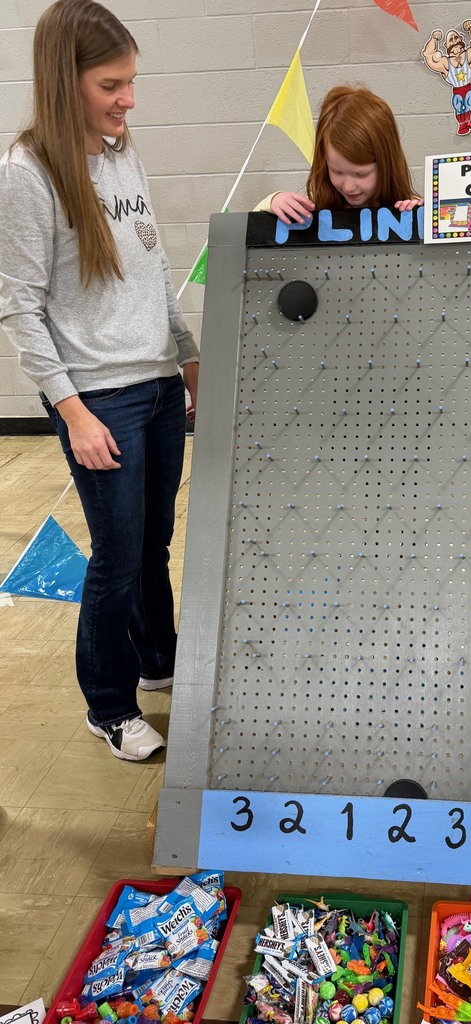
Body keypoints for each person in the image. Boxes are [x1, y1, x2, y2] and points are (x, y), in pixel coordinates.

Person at [0, 0, 200, 761]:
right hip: (100, 397)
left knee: (153, 544)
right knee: (116, 557)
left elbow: (152, 268)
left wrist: (188, 358)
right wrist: (72, 410)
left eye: (131, 82)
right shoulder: (27, 174)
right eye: (111, 85)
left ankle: (159, 661)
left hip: (157, 383)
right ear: (66, 81)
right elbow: (18, 306)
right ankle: (110, 706)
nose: (129, 100)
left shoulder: (121, 152)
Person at [255, 85, 423, 225]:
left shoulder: (409, 205)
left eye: (360, 174)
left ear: (386, 165)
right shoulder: (314, 206)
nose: (348, 187)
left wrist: (424, 215)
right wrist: (273, 201)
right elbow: (252, 232)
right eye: (337, 171)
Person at [421, 21, 471, 135]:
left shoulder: (470, 56)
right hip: (457, 91)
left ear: (461, 40)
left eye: (456, 38)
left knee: (469, 103)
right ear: (446, 46)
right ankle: (462, 125)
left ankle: (468, 121)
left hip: (468, 88)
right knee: (458, 107)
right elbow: (429, 56)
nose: (454, 41)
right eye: (451, 40)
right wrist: (433, 39)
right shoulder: (445, 63)